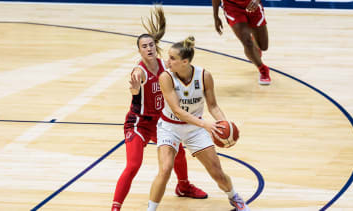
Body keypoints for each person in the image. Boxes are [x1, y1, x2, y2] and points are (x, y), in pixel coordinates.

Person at [111, 7, 207, 211]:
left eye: (151, 45)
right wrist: (135, 88)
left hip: (161, 123)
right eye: (144, 46)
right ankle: (115, 207)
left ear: (156, 46)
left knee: (178, 154)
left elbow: (182, 70)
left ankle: (183, 187)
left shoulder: (166, 66)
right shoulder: (140, 71)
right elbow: (136, 87)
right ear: (139, 51)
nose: (148, 48)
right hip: (139, 122)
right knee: (134, 165)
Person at [147, 36, 250, 211]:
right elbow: (178, 111)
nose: (167, 61)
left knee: (216, 171)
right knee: (165, 169)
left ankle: (234, 197)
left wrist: (222, 125)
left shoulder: (204, 76)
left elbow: (213, 106)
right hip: (169, 127)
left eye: (172, 58)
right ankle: (150, 209)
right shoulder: (166, 77)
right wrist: (206, 125)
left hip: (194, 128)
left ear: (185, 61)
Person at [212, 0, 271, 85]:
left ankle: (254, 44)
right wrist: (216, 16)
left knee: (263, 46)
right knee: (247, 42)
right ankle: (263, 69)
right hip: (232, 7)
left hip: (252, 3)